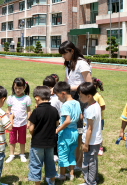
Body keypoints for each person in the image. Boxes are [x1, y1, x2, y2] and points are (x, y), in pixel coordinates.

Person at [59, 41, 92, 170]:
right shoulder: (69, 64)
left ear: (72, 51)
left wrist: (69, 88)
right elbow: (67, 81)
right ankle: (73, 161)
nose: (63, 56)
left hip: (81, 99)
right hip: (72, 98)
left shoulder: (82, 63)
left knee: (80, 133)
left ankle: (79, 163)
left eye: (64, 53)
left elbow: (88, 84)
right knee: (73, 131)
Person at [28, 86, 59, 185]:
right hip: (50, 143)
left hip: (37, 144)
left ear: (37, 98)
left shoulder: (36, 111)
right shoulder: (54, 110)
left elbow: (31, 128)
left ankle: (38, 183)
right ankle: (52, 182)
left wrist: (34, 134)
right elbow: (57, 124)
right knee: (50, 163)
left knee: (36, 164)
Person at [54, 81, 81, 181]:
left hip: (66, 133)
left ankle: (62, 175)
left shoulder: (65, 105)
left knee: (63, 153)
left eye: (58, 96)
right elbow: (81, 117)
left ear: (63, 94)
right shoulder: (77, 102)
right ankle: (71, 174)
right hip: (75, 132)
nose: (58, 98)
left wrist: (57, 130)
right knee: (71, 153)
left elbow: (67, 121)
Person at [78, 82, 102, 185]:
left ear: (88, 96)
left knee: (88, 162)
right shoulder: (94, 104)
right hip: (95, 140)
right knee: (93, 161)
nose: (79, 97)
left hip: (91, 141)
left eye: (80, 95)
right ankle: (94, 179)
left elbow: (89, 129)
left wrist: (86, 144)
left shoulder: (91, 109)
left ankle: (90, 182)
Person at [6, 77, 31, 163]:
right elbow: (8, 110)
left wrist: (29, 121)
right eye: (15, 88)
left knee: (22, 140)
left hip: (22, 123)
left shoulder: (26, 98)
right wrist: (8, 119)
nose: (17, 90)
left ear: (24, 87)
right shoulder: (10, 98)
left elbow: (28, 110)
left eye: (20, 88)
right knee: (12, 140)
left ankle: (22, 154)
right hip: (12, 124)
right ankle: (11, 154)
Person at [43, 75, 62, 162]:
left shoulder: (57, 98)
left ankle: (55, 153)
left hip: (56, 122)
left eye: (52, 87)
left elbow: (61, 110)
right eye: (48, 87)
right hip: (46, 122)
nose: (50, 89)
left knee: (55, 138)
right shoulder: (44, 97)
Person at [92, 77, 105, 156]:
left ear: (95, 86)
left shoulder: (98, 96)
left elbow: (103, 106)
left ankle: (100, 147)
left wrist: (96, 110)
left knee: (98, 133)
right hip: (90, 118)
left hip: (98, 119)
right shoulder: (88, 95)